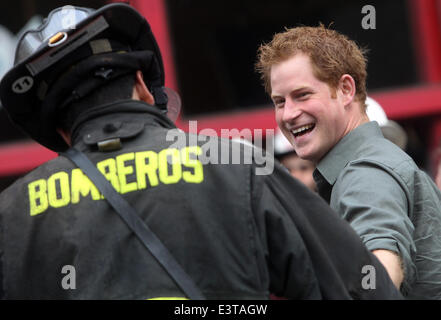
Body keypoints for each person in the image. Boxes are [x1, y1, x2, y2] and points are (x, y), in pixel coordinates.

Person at [0, 4, 401, 300]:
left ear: (58, 129)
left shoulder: (12, 217)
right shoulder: (239, 167)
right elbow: (364, 290)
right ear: (141, 85)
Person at [256, 24, 441, 299]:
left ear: (345, 89)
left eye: (302, 95)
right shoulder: (367, 164)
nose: (288, 114)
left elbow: (379, 275)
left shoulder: (365, 173)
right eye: (279, 101)